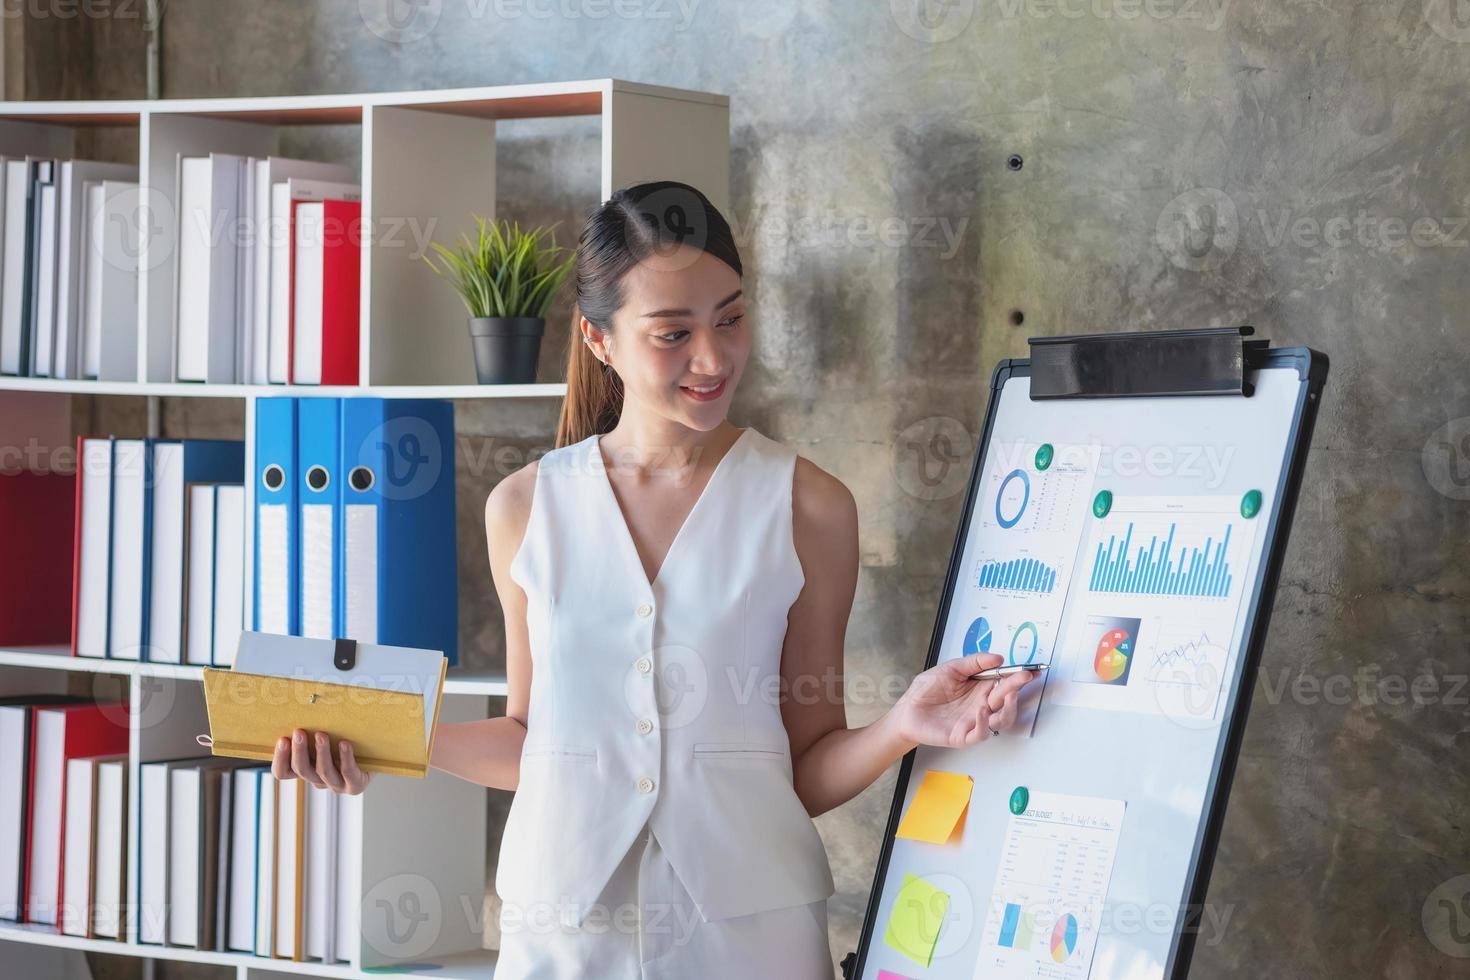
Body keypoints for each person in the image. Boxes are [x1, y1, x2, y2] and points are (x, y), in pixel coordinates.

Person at [273, 180, 1037, 979]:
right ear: (600, 341)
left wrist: (903, 726)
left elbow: (804, 765)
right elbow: (537, 740)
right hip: (566, 935)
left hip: (749, 938)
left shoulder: (810, 505)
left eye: (731, 319)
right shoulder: (524, 507)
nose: (712, 359)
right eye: (673, 333)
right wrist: (388, 738)